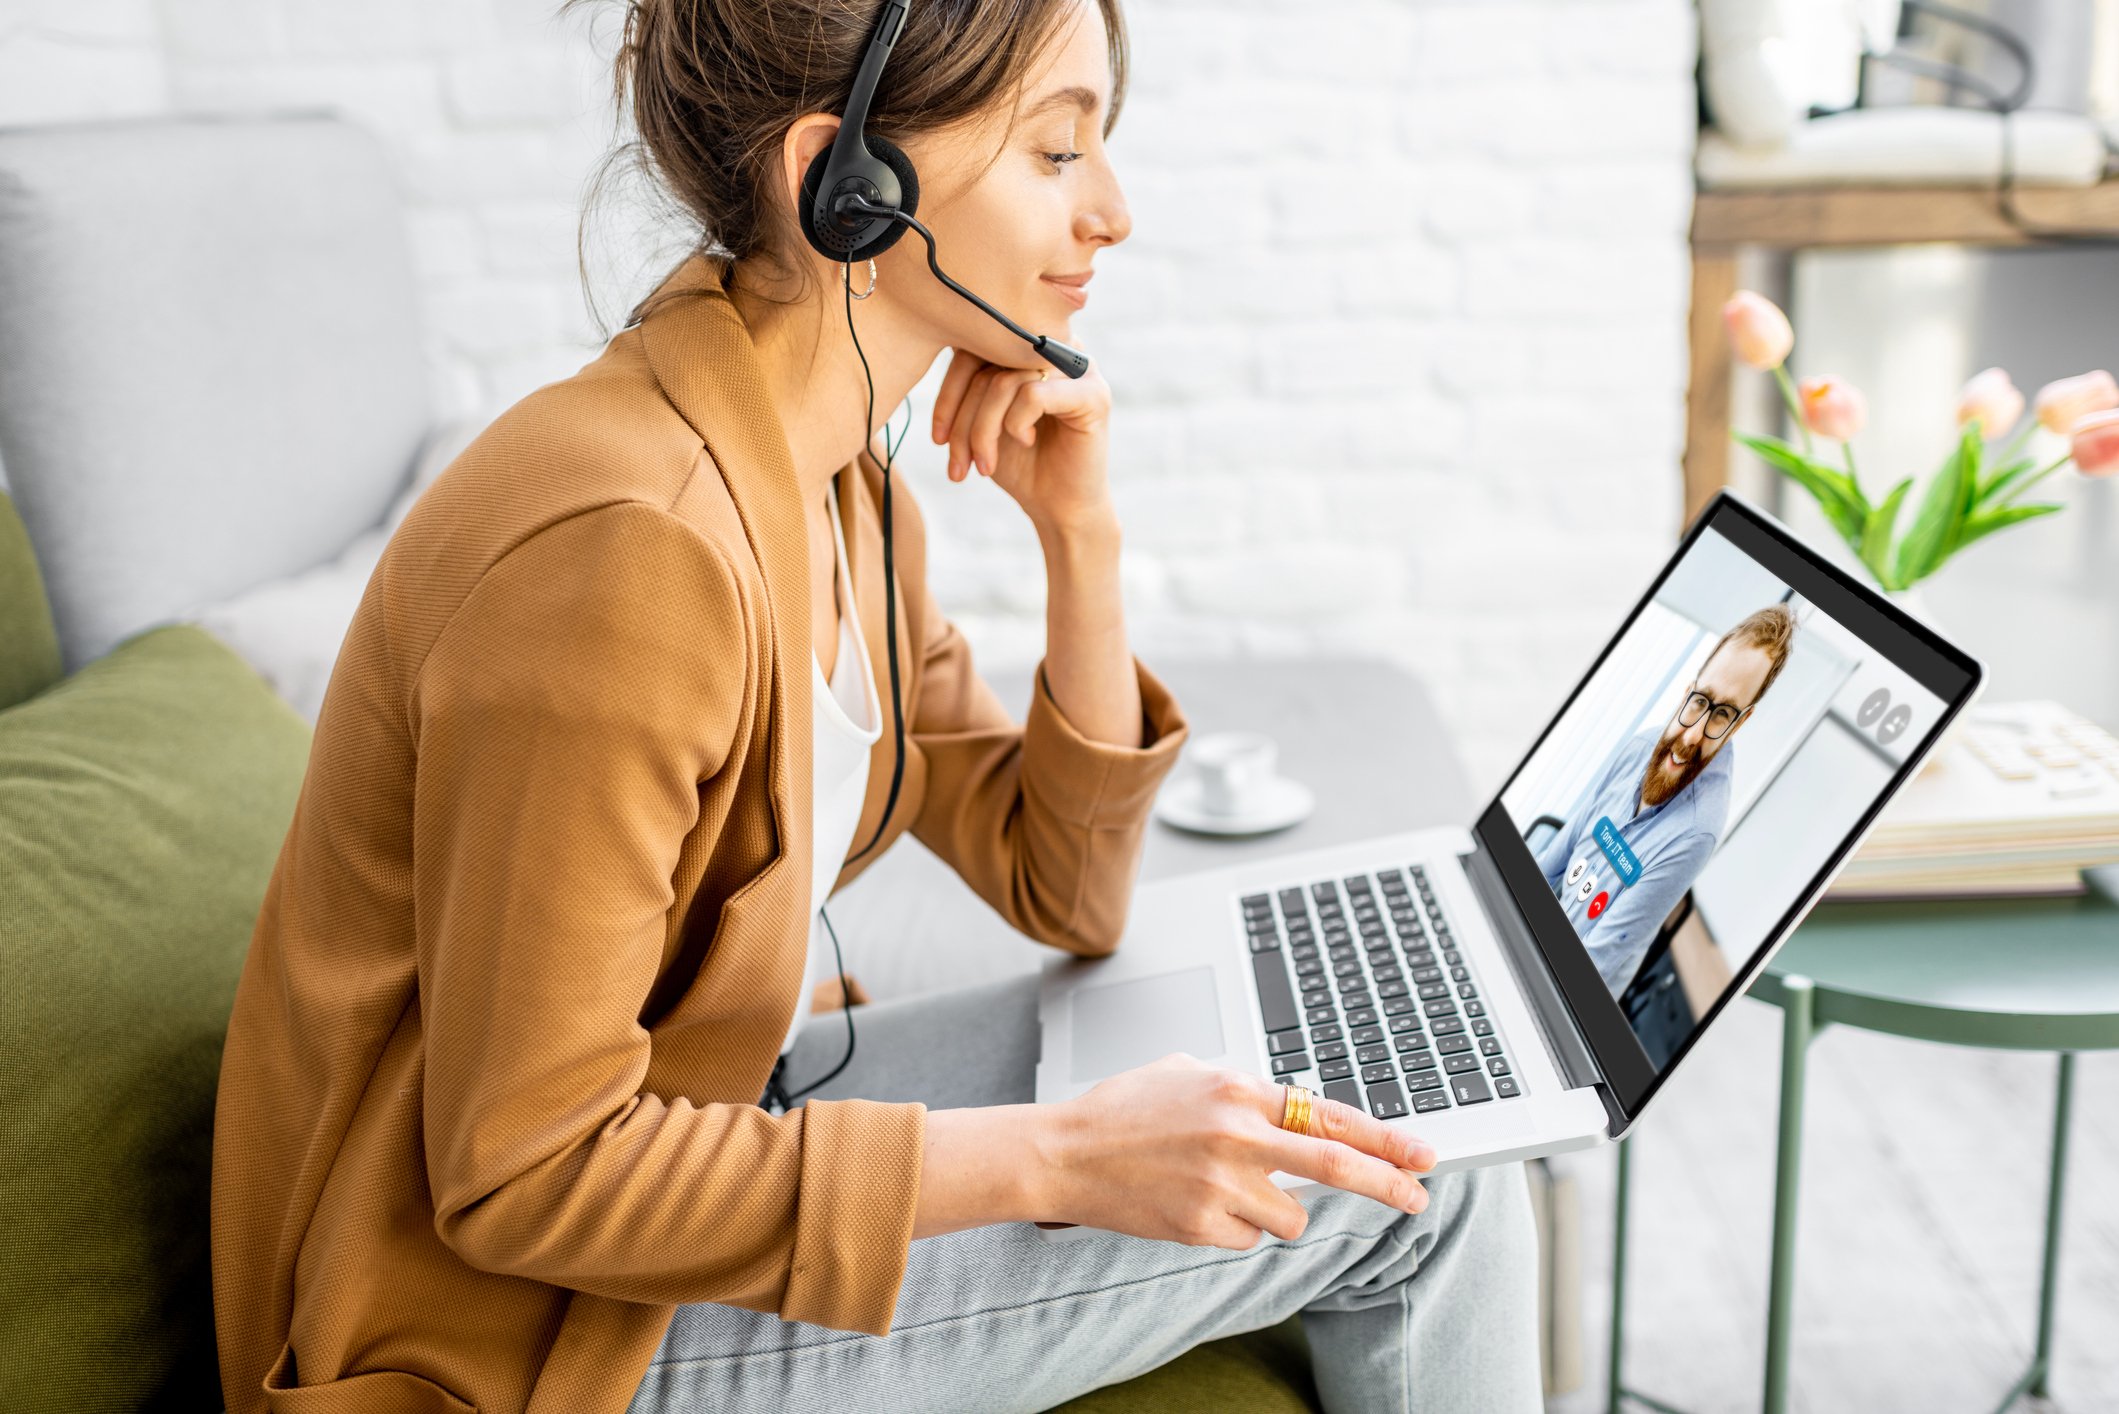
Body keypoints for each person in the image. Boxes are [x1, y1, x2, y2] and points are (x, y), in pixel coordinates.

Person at [209, 2, 1544, 1411]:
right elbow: (524, 1172)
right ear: (842, 186)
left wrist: (1076, 540)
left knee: (1335, 1091)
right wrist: (1059, 1155)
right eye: (1054, 150)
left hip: (704, 1128)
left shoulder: (842, 490)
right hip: (501, 1336)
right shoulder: (627, 550)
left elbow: (1062, 886)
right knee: (1412, 1188)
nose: (1111, 210)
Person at [1532, 603, 1798, 999]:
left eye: (1723, 715)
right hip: (1544, 939)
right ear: (1688, 688)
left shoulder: (1697, 831)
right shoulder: (1641, 745)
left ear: (1741, 722)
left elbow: (1593, 964)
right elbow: (1556, 858)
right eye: (1700, 701)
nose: (1693, 736)